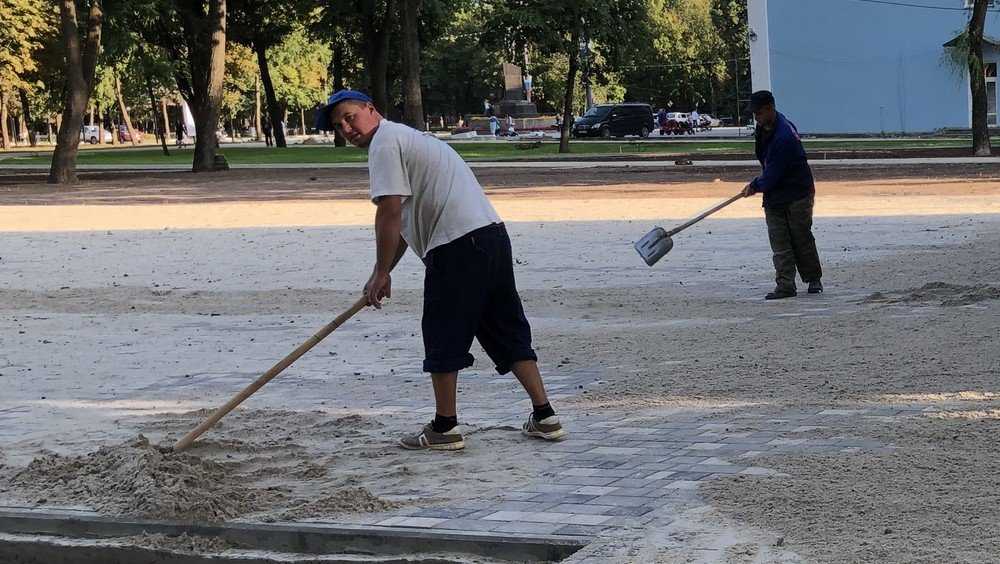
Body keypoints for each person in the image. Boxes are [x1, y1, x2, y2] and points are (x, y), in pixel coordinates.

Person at [315, 89, 567, 450]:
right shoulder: (405, 138)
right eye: (339, 126)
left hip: (457, 245)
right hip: (491, 236)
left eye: (350, 117)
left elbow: (387, 210)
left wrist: (380, 272)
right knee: (504, 327)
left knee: (442, 330)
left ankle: (445, 427)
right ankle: (546, 417)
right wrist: (386, 271)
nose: (346, 128)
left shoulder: (385, 143)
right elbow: (403, 222)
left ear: (371, 109)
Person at [740, 90, 823, 300]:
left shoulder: (784, 136)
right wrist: (761, 184)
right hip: (775, 193)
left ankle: (813, 279)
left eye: (758, 113)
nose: (755, 118)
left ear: (770, 109)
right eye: (754, 114)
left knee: (800, 238)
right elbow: (768, 166)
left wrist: (754, 185)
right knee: (779, 241)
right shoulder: (763, 129)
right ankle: (786, 286)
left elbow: (773, 173)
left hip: (798, 193)